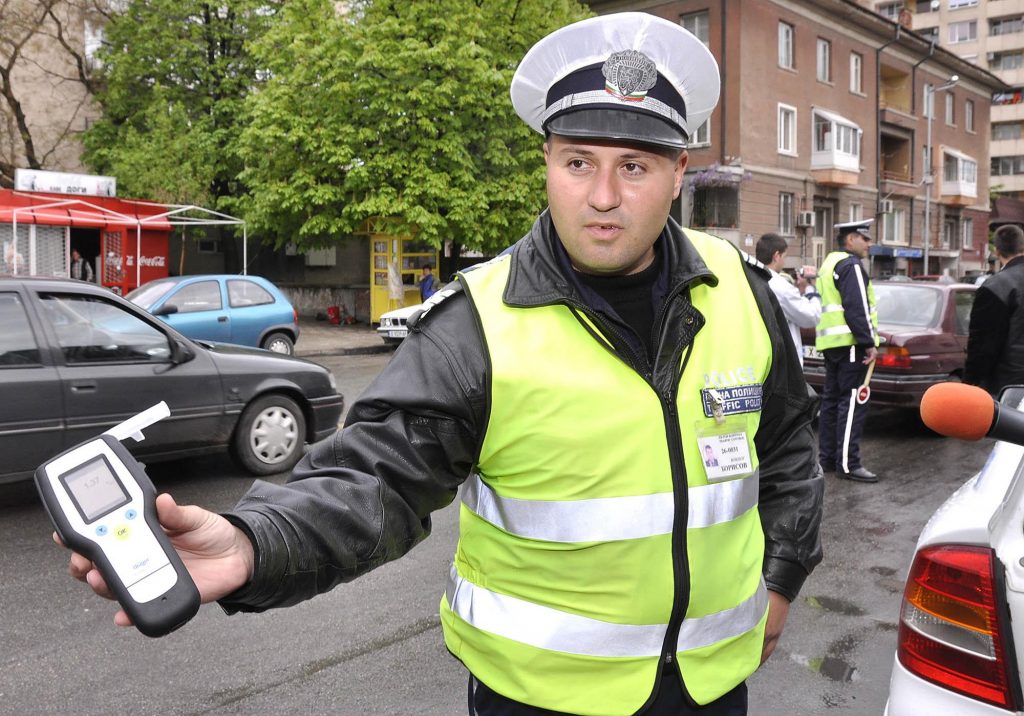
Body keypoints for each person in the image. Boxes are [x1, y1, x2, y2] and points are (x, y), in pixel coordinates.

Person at [63, 13, 823, 716]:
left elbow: (789, 451)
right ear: (548, 162)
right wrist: (256, 542)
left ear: (679, 170)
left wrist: (781, 582)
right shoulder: (477, 323)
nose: (601, 196)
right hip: (536, 697)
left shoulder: (741, 293)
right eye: (578, 161)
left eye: (634, 167)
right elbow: (374, 477)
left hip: (713, 688)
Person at [815, 219, 880, 484]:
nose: (869, 243)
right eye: (865, 238)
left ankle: (828, 459)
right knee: (853, 402)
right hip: (852, 344)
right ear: (851, 239)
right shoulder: (851, 266)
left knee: (831, 402)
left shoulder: (829, 263)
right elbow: (857, 308)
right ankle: (848, 464)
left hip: (833, 345)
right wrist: (869, 342)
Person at [965, 224, 1024, 394]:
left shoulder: (997, 286)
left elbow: (982, 343)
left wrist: (970, 382)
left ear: (997, 251)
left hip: (1008, 387)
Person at [755, 233, 821, 367]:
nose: (784, 262)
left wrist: (798, 293)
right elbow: (811, 317)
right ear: (776, 256)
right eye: (784, 257)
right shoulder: (780, 286)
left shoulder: (751, 278)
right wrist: (810, 289)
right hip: (783, 362)